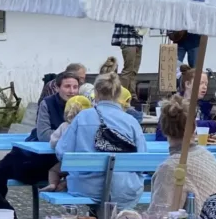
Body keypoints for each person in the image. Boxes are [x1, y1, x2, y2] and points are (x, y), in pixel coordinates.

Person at [54, 71, 147, 210]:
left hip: (87, 187)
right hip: (125, 188)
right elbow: (142, 160)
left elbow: (62, 152)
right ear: (118, 94)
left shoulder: (82, 117)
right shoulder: (131, 121)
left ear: (96, 93)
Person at [0, 69, 82, 198]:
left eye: (75, 87)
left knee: (3, 170)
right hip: (35, 155)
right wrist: (69, 134)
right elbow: (44, 135)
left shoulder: (83, 104)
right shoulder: (48, 103)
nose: (72, 91)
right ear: (57, 87)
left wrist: (61, 135)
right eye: (67, 86)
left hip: (59, 161)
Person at [151, 94, 216, 210]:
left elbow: (160, 218)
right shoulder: (209, 157)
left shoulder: (170, 169)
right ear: (194, 127)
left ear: (163, 129)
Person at [46, 94, 92, 190]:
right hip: (85, 164)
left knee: (53, 171)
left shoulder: (64, 126)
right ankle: (64, 184)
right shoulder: (88, 128)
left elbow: (53, 142)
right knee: (75, 174)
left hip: (66, 162)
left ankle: (53, 184)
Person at [111, 25, 143, 94]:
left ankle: (132, 94)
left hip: (138, 41)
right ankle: (122, 94)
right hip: (128, 41)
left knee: (134, 71)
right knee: (128, 70)